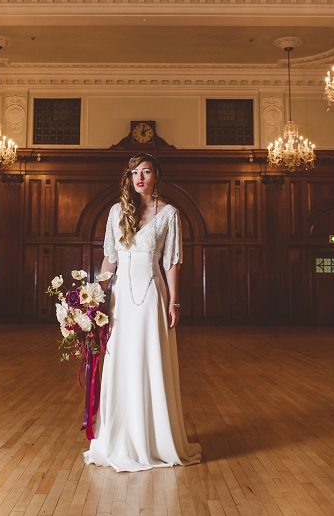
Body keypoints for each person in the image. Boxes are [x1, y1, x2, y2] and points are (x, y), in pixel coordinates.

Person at [84, 153, 202, 472]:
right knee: (120, 360)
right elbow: (110, 259)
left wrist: (173, 301)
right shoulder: (115, 212)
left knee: (151, 360)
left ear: (155, 177)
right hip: (120, 297)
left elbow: (172, 261)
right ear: (129, 178)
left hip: (152, 294)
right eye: (135, 172)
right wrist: (93, 296)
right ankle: (119, 438)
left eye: (146, 171)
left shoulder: (170, 214)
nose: (140, 177)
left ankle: (155, 440)